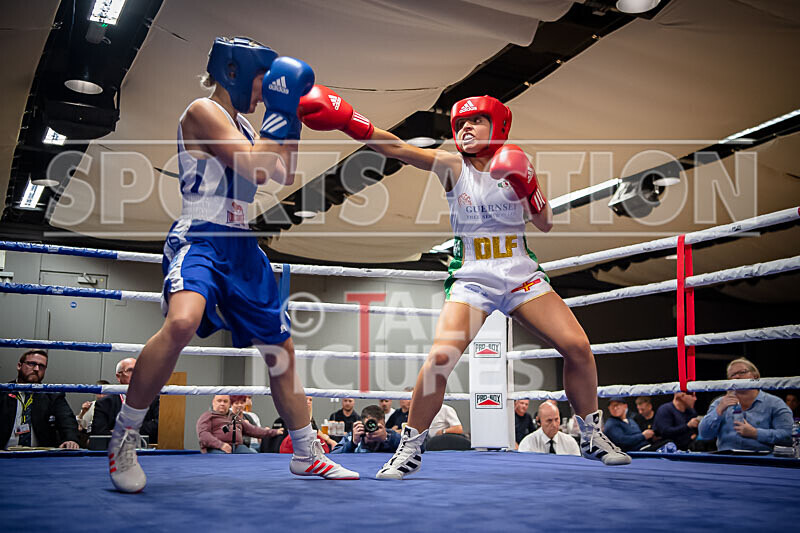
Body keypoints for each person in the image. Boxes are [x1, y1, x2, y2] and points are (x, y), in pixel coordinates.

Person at [297, 89, 630, 478]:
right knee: (439, 359)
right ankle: (410, 447)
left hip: (520, 273)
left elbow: (545, 223)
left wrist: (529, 185)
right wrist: (349, 121)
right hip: (473, 277)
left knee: (577, 346)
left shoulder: (516, 165)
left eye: (475, 120)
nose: (466, 127)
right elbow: (398, 149)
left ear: (498, 125)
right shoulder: (454, 167)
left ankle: (592, 434)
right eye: (461, 123)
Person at [106, 37, 358, 492]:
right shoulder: (201, 111)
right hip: (202, 235)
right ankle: (124, 434)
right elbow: (255, 169)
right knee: (183, 322)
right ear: (235, 72)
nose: (265, 94)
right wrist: (281, 117)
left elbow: (284, 173)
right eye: (265, 84)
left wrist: (292, 120)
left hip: (242, 244)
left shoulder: (246, 124)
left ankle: (306, 454)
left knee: (281, 351)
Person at [698, 358, 792, 451]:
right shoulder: (719, 402)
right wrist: (718, 411)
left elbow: (789, 436)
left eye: (742, 372)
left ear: (755, 376)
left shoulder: (774, 403)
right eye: (732, 375)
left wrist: (756, 433)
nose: (736, 377)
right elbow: (704, 435)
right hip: (727, 460)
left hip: (763, 461)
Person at [1, 350, 79, 450]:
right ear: (19, 366)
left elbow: (67, 419)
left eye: (41, 366)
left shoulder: (52, 395)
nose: (37, 369)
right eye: (32, 364)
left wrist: (70, 439)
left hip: (40, 456)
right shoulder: (3, 391)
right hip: (4, 454)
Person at [92, 358, 159, 445]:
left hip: (147, 450)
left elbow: (159, 426)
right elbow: (98, 433)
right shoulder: (105, 403)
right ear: (118, 377)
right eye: (130, 370)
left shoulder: (153, 399)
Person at [197, 395, 283, 454]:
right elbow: (204, 436)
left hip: (238, 447)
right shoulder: (207, 417)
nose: (222, 404)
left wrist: (275, 432)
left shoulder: (234, 417)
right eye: (219, 401)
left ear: (229, 403)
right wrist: (221, 445)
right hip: (216, 449)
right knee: (223, 462)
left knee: (254, 459)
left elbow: (253, 430)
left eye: (225, 401)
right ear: (213, 402)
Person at [331, 405, 402, 454]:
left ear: (384, 426)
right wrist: (353, 443)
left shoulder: (392, 436)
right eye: (369, 426)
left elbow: (408, 452)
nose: (373, 430)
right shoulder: (353, 436)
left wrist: (386, 440)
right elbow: (334, 456)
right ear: (362, 424)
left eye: (377, 427)